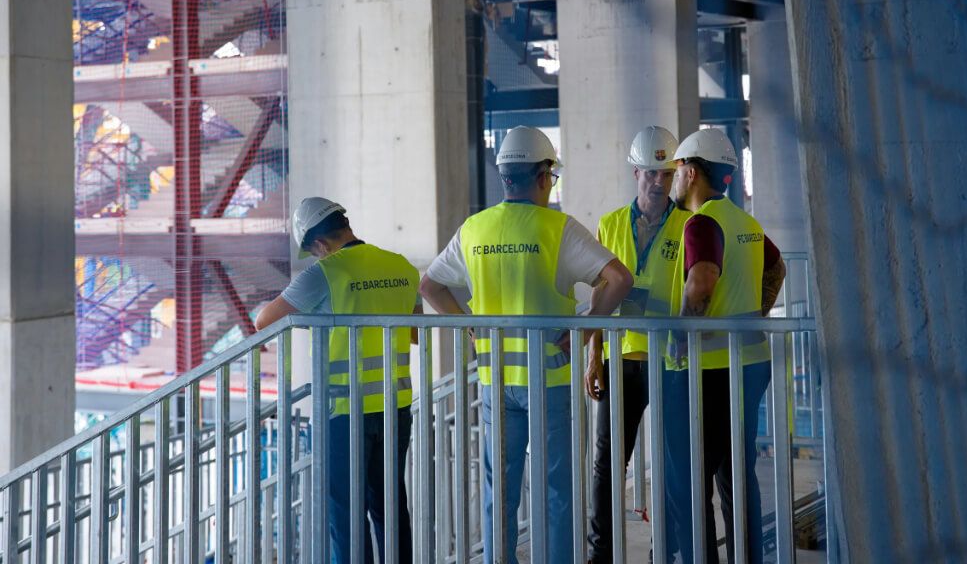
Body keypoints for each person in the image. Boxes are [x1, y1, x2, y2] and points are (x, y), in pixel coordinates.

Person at [419, 126, 633, 564]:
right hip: (549, 379)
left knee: (499, 490)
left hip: (495, 380)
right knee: (557, 488)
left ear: (504, 176)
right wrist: (587, 327)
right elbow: (619, 279)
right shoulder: (558, 228)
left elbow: (430, 286)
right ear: (541, 176)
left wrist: (468, 327)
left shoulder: (474, 229)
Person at [255, 197, 420, 564]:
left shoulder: (324, 273)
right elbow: (414, 332)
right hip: (395, 404)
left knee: (345, 514)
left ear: (318, 244)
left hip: (344, 409)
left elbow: (264, 322)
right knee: (391, 507)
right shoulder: (401, 265)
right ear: (344, 225)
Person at [667, 128, 786, 564]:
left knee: (691, 482)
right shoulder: (745, 222)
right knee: (736, 477)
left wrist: (682, 336)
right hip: (750, 363)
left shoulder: (702, 223)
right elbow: (777, 269)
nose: (672, 179)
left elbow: (701, 283)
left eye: (676, 169)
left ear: (691, 172)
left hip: (712, 371)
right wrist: (757, 313)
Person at [584, 126, 691, 563]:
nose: (658, 182)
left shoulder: (688, 225)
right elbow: (599, 294)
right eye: (650, 173)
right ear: (636, 173)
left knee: (672, 462)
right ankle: (601, 554)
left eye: (666, 174)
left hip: (669, 361)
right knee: (608, 463)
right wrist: (594, 355)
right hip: (620, 357)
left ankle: (663, 551)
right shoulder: (610, 224)